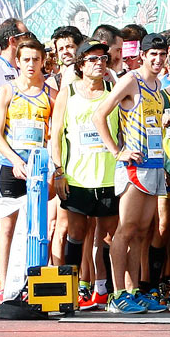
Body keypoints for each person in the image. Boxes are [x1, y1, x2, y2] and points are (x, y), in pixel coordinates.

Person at [96, 32, 170, 313]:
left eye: (161, 55)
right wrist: (117, 151)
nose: (157, 60)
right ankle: (117, 294)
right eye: (151, 55)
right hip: (133, 167)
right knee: (126, 230)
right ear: (142, 55)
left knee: (143, 232)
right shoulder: (131, 80)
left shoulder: (159, 86)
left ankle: (133, 290)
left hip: (154, 165)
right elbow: (99, 115)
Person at [52, 41, 119, 311]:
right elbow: (56, 134)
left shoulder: (113, 91)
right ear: (80, 64)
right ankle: (73, 290)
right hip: (77, 177)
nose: (99, 63)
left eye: (103, 59)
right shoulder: (68, 93)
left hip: (109, 177)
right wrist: (59, 171)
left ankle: (105, 291)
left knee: (107, 237)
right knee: (76, 233)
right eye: (92, 59)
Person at [0, 36, 53, 303]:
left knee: (38, 226)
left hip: (38, 169)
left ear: (42, 62)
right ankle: (5, 287)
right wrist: (15, 160)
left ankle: (30, 283)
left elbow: (54, 136)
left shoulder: (51, 94)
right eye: (26, 59)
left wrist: (50, 169)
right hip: (10, 166)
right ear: (18, 61)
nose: (31, 65)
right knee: (8, 227)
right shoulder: (7, 91)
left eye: (36, 60)